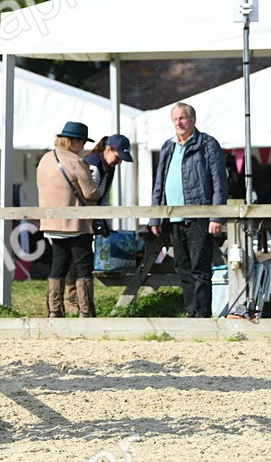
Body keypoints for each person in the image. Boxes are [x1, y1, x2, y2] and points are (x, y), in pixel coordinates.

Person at [149, 102, 228, 318]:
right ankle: (191, 312)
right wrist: (155, 217)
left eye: (182, 118)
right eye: (175, 119)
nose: (178, 123)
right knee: (182, 268)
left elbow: (219, 181)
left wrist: (216, 215)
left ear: (193, 120)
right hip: (174, 218)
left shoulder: (207, 144)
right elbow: (159, 182)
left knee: (200, 268)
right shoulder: (168, 146)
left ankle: (201, 315)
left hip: (199, 216)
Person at [36, 121, 102, 318]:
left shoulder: (45, 160)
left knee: (58, 265)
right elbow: (91, 193)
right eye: (82, 142)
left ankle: (54, 310)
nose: (83, 147)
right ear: (74, 141)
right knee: (83, 267)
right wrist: (95, 179)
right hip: (76, 224)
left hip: (51, 223)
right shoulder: (76, 161)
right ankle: (86, 311)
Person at [65, 134, 133, 304]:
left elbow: (104, 196)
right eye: (118, 156)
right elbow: (88, 194)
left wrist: (103, 220)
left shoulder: (109, 167)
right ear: (108, 149)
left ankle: (80, 301)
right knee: (78, 258)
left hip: (90, 215)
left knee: (81, 258)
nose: (119, 161)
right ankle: (74, 300)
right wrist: (94, 218)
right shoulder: (94, 164)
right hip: (81, 215)